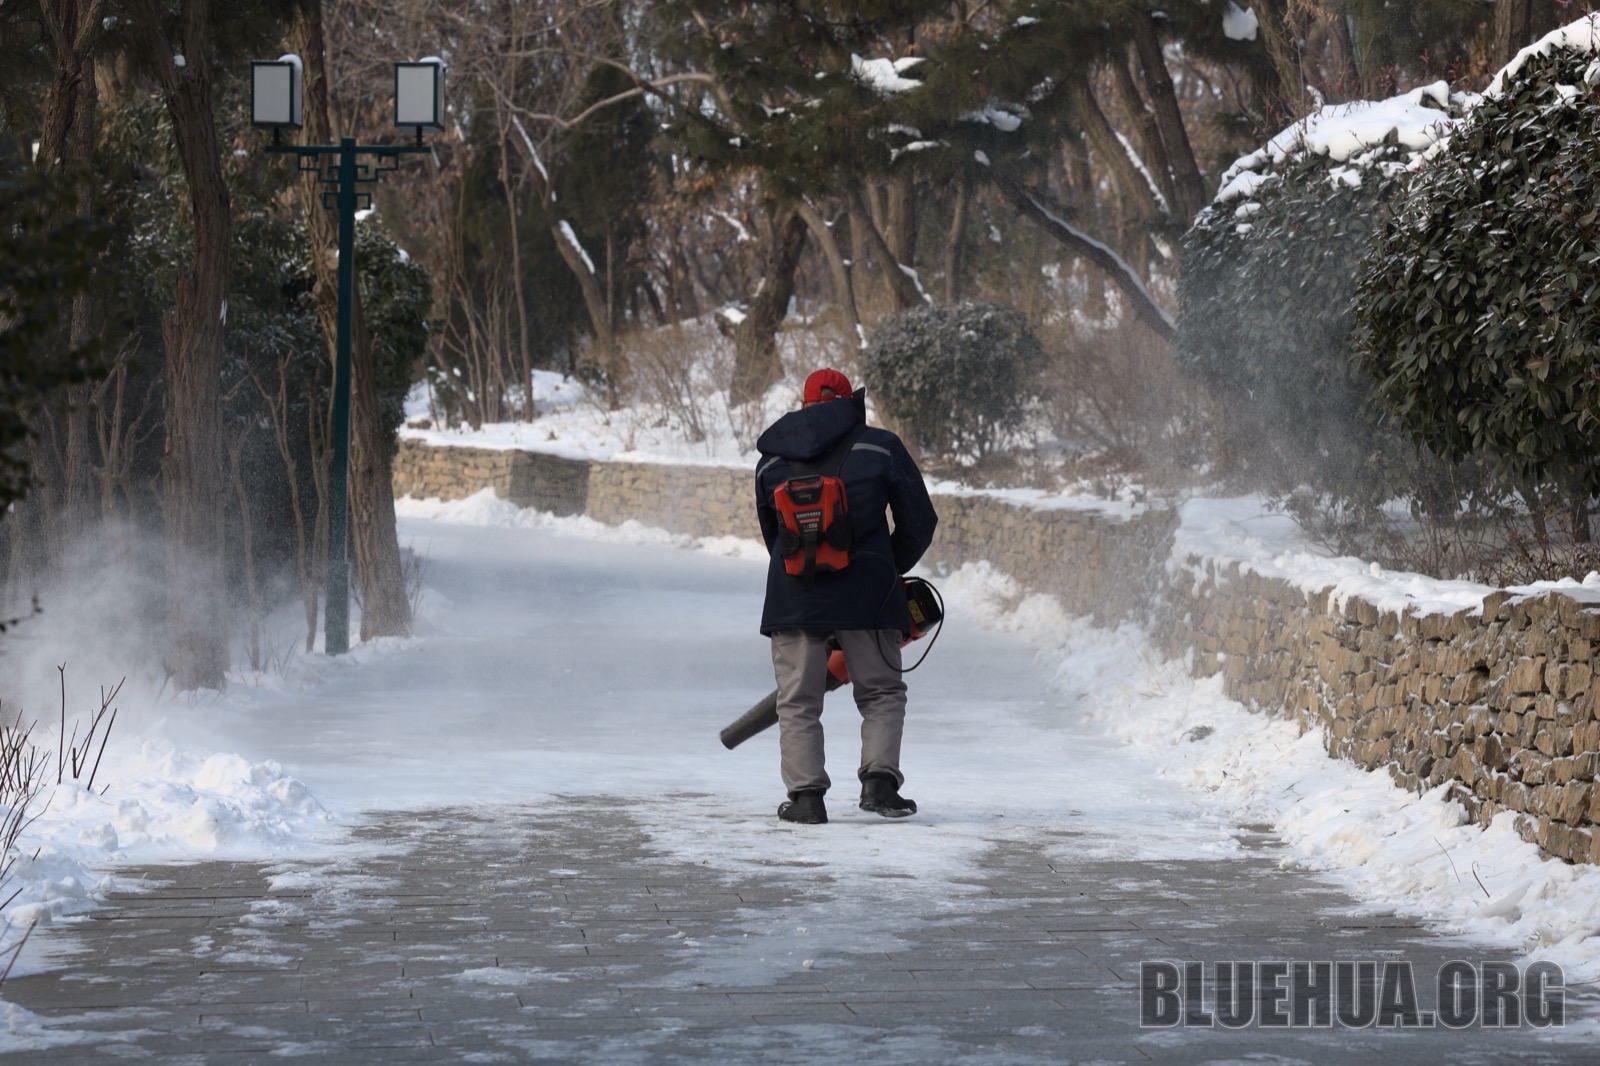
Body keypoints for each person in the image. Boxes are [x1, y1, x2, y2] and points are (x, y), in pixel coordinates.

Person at [753, 367, 938, 824]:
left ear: (804, 403)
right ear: (848, 399)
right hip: (869, 597)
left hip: (795, 597)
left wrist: (801, 570)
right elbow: (920, 520)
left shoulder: (773, 458)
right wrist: (886, 565)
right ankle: (879, 784)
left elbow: (773, 535)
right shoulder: (880, 446)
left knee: (797, 700)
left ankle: (805, 799)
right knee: (881, 692)